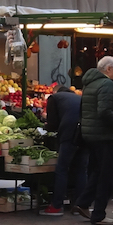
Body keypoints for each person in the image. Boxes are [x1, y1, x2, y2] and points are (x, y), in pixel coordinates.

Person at [74, 57, 113, 225]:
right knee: (107, 175)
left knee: (96, 171)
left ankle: (83, 202)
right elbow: (104, 111)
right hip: (104, 135)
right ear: (108, 69)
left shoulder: (89, 83)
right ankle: (99, 214)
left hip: (90, 134)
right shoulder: (106, 84)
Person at [40, 85, 85, 217]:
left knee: (62, 169)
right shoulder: (78, 97)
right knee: (81, 169)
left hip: (70, 134)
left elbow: (53, 123)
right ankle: (80, 205)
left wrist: (45, 126)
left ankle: (56, 206)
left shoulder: (54, 98)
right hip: (85, 134)